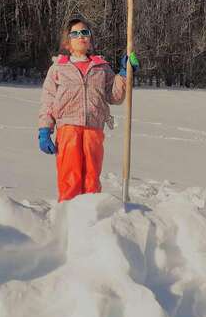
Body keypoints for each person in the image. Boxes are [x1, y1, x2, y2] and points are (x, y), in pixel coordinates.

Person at [38, 16, 139, 202]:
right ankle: (68, 216)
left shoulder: (101, 67)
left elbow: (115, 96)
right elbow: (48, 100)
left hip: (94, 129)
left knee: (92, 178)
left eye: (85, 32)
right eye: (75, 33)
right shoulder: (58, 68)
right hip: (68, 129)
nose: (81, 36)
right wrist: (45, 129)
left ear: (90, 39)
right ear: (67, 42)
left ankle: (91, 218)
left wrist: (125, 73)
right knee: (70, 178)